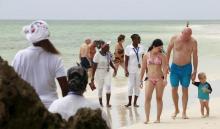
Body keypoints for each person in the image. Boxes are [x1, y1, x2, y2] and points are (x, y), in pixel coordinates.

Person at [12, 20, 68, 108]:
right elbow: (65, 89)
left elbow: (12, 83)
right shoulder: (55, 57)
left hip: (26, 107)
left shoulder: (20, 55)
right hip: (51, 108)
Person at [166, 26, 198, 119]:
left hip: (187, 68)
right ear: (181, 33)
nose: (186, 37)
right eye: (185, 35)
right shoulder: (174, 38)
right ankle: (176, 109)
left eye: (188, 36)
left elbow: (195, 56)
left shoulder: (193, 42)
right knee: (174, 88)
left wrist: (195, 70)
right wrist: (166, 65)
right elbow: (167, 52)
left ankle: (184, 112)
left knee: (185, 89)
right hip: (175, 68)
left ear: (191, 35)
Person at [140, 39, 168, 124]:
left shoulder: (162, 56)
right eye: (159, 48)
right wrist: (140, 80)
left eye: (161, 48)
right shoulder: (146, 55)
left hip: (159, 78)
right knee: (147, 98)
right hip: (149, 79)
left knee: (159, 98)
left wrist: (165, 79)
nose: (160, 49)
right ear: (154, 46)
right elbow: (143, 68)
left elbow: (164, 68)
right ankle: (147, 118)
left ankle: (158, 118)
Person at [90, 40, 117, 107]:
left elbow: (110, 61)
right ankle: (100, 103)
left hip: (107, 72)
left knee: (108, 86)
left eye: (109, 47)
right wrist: (92, 77)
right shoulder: (97, 55)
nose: (109, 48)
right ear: (102, 47)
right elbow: (94, 67)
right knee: (100, 88)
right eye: (107, 47)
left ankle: (107, 103)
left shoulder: (108, 54)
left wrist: (114, 68)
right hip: (99, 73)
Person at [124, 34, 144, 107]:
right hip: (131, 70)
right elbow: (126, 60)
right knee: (130, 86)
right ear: (133, 40)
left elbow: (143, 59)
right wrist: (125, 70)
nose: (139, 40)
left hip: (139, 69)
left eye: (139, 39)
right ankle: (129, 102)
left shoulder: (141, 47)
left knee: (137, 86)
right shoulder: (128, 48)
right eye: (138, 39)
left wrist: (146, 69)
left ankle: (135, 103)